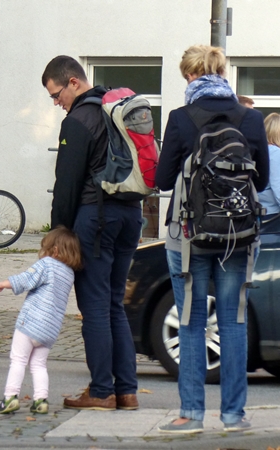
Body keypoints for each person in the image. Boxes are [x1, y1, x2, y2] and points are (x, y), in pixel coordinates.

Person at [155, 45, 269, 434]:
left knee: (191, 322)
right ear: (222, 73)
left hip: (188, 236)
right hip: (239, 235)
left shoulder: (180, 118)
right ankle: (234, 416)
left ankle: (191, 414)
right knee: (234, 322)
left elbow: (163, 180)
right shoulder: (250, 119)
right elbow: (261, 182)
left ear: (190, 75)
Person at [41, 56, 142, 411]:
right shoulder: (116, 110)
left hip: (96, 218)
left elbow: (66, 184)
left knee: (95, 306)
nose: (57, 103)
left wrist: (58, 232)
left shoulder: (78, 120)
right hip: (131, 215)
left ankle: (101, 391)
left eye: (56, 95)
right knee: (114, 303)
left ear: (73, 82)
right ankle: (126, 391)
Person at [0, 226, 81, 415]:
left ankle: (10, 397)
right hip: (49, 330)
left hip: (31, 323)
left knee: (18, 360)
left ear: (54, 250)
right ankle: (41, 400)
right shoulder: (69, 273)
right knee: (38, 365)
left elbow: (25, 279)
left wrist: (3, 284)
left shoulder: (47, 264)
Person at [259, 113, 280, 216]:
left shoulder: (261, 151)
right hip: (273, 214)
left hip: (259, 210)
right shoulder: (275, 153)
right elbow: (278, 187)